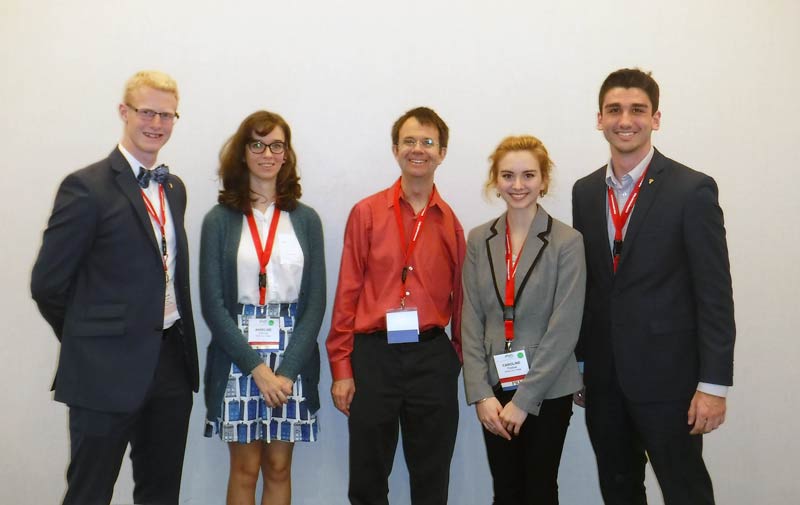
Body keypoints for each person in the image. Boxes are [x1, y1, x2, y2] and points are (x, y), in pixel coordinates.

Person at [30, 70, 199, 505]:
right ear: (124, 112)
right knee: (90, 493)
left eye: (167, 115)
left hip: (170, 365)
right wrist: (91, 339)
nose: (156, 124)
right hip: (104, 371)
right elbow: (47, 284)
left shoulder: (174, 188)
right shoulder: (85, 187)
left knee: (161, 493)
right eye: (147, 112)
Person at [571, 68, 736, 505]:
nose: (625, 120)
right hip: (605, 381)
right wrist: (584, 365)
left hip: (673, 383)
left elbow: (715, 294)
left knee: (686, 491)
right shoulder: (585, 192)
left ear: (656, 118)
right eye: (614, 110)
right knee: (619, 489)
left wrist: (713, 386)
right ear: (600, 118)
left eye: (637, 110)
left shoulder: (691, 189)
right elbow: (591, 288)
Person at [326, 107, 465, 505]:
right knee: (367, 482)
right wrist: (341, 367)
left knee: (431, 480)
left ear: (442, 152)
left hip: (431, 358)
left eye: (427, 142)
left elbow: (462, 302)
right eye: (409, 141)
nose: (417, 149)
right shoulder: (366, 213)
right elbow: (347, 293)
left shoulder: (451, 224)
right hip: (374, 358)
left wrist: (452, 359)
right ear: (395, 149)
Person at [200, 110, 326, 505]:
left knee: (278, 467)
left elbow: (316, 302)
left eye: (276, 145)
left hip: (293, 352)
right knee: (245, 468)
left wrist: (285, 373)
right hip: (239, 351)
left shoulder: (306, 220)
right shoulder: (219, 220)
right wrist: (258, 369)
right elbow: (213, 305)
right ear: (243, 152)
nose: (267, 153)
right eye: (257, 144)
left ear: (286, 155)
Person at [461, 135, 585, 505]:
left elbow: (565, 327)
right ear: (495, 181)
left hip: (548, 389)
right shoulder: (480, 239)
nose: (518, 185)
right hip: (495, 387)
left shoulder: (567, 240)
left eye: (528, 175)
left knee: (539, 490)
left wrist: (524, 400)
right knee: (507, 491)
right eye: (508, 175)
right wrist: (481, 393)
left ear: (543, 181)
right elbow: (471, 318)